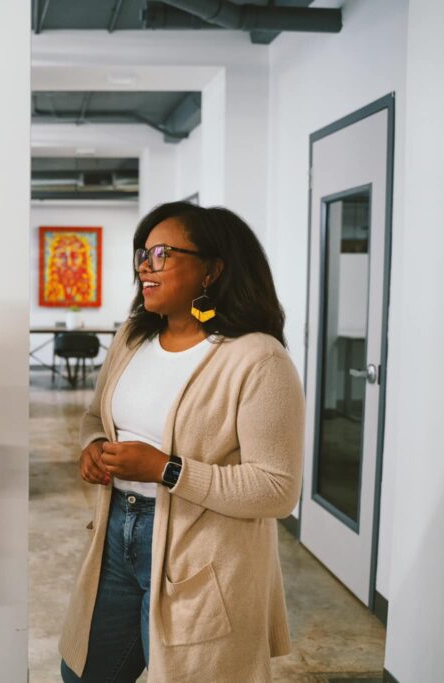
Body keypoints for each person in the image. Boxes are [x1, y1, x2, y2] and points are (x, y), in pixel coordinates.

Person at [59, 201, 304, 682]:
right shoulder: (132, 337)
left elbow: (277, 489)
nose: (145, 268)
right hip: (116, 535)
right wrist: (92, 446)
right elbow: (95, 416)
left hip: (205, 554)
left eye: (162, 254)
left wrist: (165, 469)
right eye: (143, 255)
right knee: (83, 673)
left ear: (212, 269)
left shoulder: (256, 359)